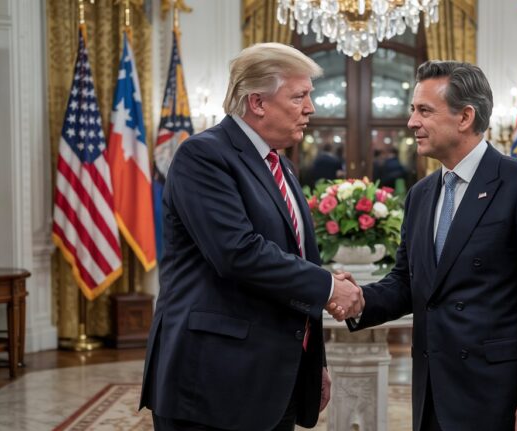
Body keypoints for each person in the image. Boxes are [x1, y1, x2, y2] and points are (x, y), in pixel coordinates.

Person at [334, 61, 517, 431]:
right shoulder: (421, 195)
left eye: (424, 110)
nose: (411, 122)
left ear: (465, 117)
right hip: (431, 390)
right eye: (413, 109)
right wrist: (360, 299)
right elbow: (406, 283)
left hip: (497, 396)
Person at [140, 42, 363, 431]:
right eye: (299, 96)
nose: (310, 108)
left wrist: (313, 363)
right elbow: (237, 253)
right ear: (258, 102)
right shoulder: (204, 156)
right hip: (213, 380)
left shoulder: (282, 166)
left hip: (275, 379)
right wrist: (328, 287)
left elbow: (298, 261)